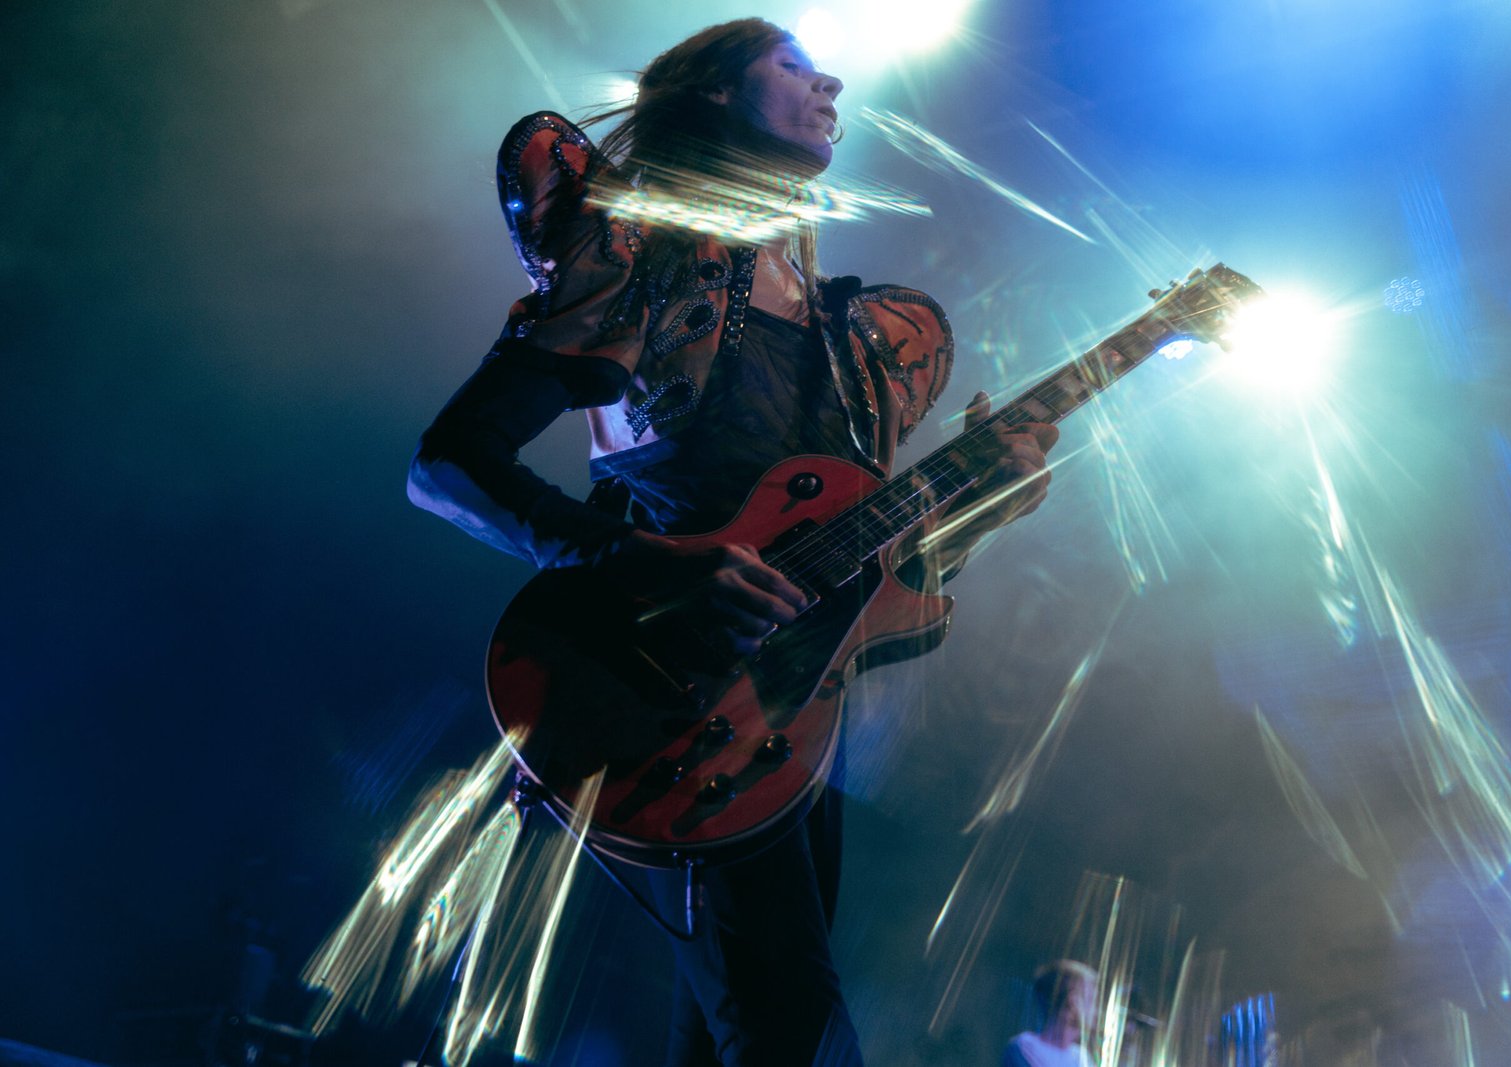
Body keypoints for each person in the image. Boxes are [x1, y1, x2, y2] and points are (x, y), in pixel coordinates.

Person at [408, 17, 1059, 1067]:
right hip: (662, 701)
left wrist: (986, 498)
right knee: (798, 1036)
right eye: (792, 64)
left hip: (792, 729)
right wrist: (641, 559)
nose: (829, 79)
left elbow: (868, 573)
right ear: (714, 91)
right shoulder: (647, 261)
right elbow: (447, 464)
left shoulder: (850, 338)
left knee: (733, 1045)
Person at [1003, 961, 1100, 1067]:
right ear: (1071, 1001)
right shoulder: (1025, 1048)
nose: (1097, 1010)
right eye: (1091, 999)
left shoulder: (1082, 1059)